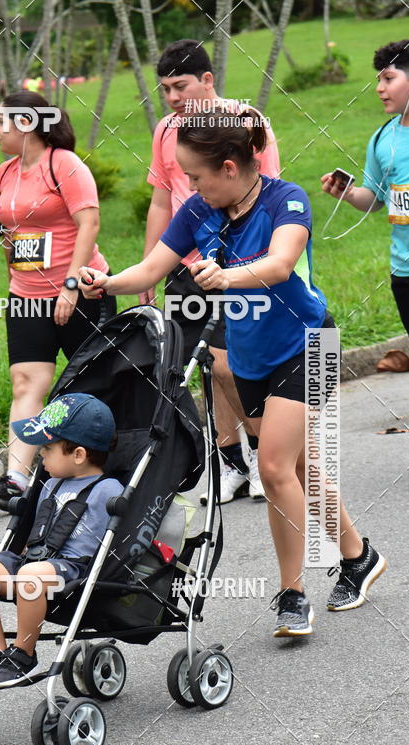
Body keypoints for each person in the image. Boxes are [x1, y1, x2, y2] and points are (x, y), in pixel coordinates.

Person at [80, 110, 387, 639]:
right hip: (250, 358)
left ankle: (292, 594)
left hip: (310, 343)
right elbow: (152, 268)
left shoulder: (285, 198)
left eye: (196, 177)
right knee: (299, 465)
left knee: (272, 468)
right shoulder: (201, 209)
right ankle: (359, 556)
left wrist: (227, 275)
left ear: (228, 167)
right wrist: (104, 282)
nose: (190, 187)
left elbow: (281, 264)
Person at [142, 40, 281, 505]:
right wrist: (147, 274)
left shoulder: (247, 123)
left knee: (228, 363)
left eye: (180, 86)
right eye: (165, 89)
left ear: (208, 79)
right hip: (186, 266)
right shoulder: (166, 131)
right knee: (203, 366)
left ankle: (264, 455)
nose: (173, 97)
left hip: (239, 264)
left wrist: (254, 261)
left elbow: (266, 193)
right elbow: (162, 202)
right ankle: (230, 462)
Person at [0, 90, 115, 512]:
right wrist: (13, 279)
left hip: (81, 290)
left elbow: (88, 222)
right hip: (26, 296)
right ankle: (16, 479)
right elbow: (8, 235)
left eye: (3, 122)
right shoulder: (4, 173)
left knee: (97, 381)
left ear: (27, 125)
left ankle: (115, 462)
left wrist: (70, 284)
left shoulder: (64, 164)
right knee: (26, 382)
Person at [0, 393, 122, 686]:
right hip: (36, 561)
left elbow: (123, 535)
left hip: (73, 568)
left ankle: (23, 653)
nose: (40, 455)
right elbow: (38, 530)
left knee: (30, 576)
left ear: (78, 455)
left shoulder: (108, 490)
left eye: (47, 449)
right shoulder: (49, 484)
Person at [321, 39, 409, 344]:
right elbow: (374, 199)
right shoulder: (382, 139)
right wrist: (347, 193)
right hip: (405, 272)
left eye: (389, 78)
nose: (379, 88)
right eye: (379, 81)